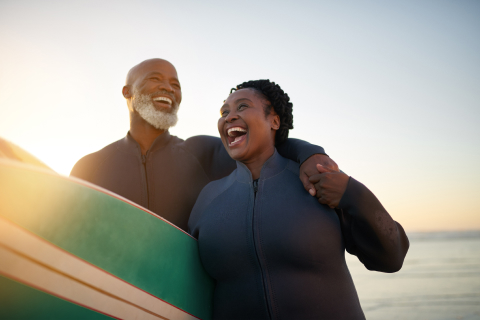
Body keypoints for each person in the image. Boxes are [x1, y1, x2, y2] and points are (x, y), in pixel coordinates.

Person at [188, 80, 409, 319]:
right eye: (224, 112)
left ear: (274, 121)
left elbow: (391, 258)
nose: (230, 117)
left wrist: (353, 193)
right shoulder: (208, 197)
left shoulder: (317, 180)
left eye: (242, 107)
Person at [70, 59, 337, 231]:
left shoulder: (202, 152)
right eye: (156, 79)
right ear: (127, 92)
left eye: (175, 84)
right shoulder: (90, 166)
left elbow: (267, 145)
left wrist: (311, 154)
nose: (168, 88)